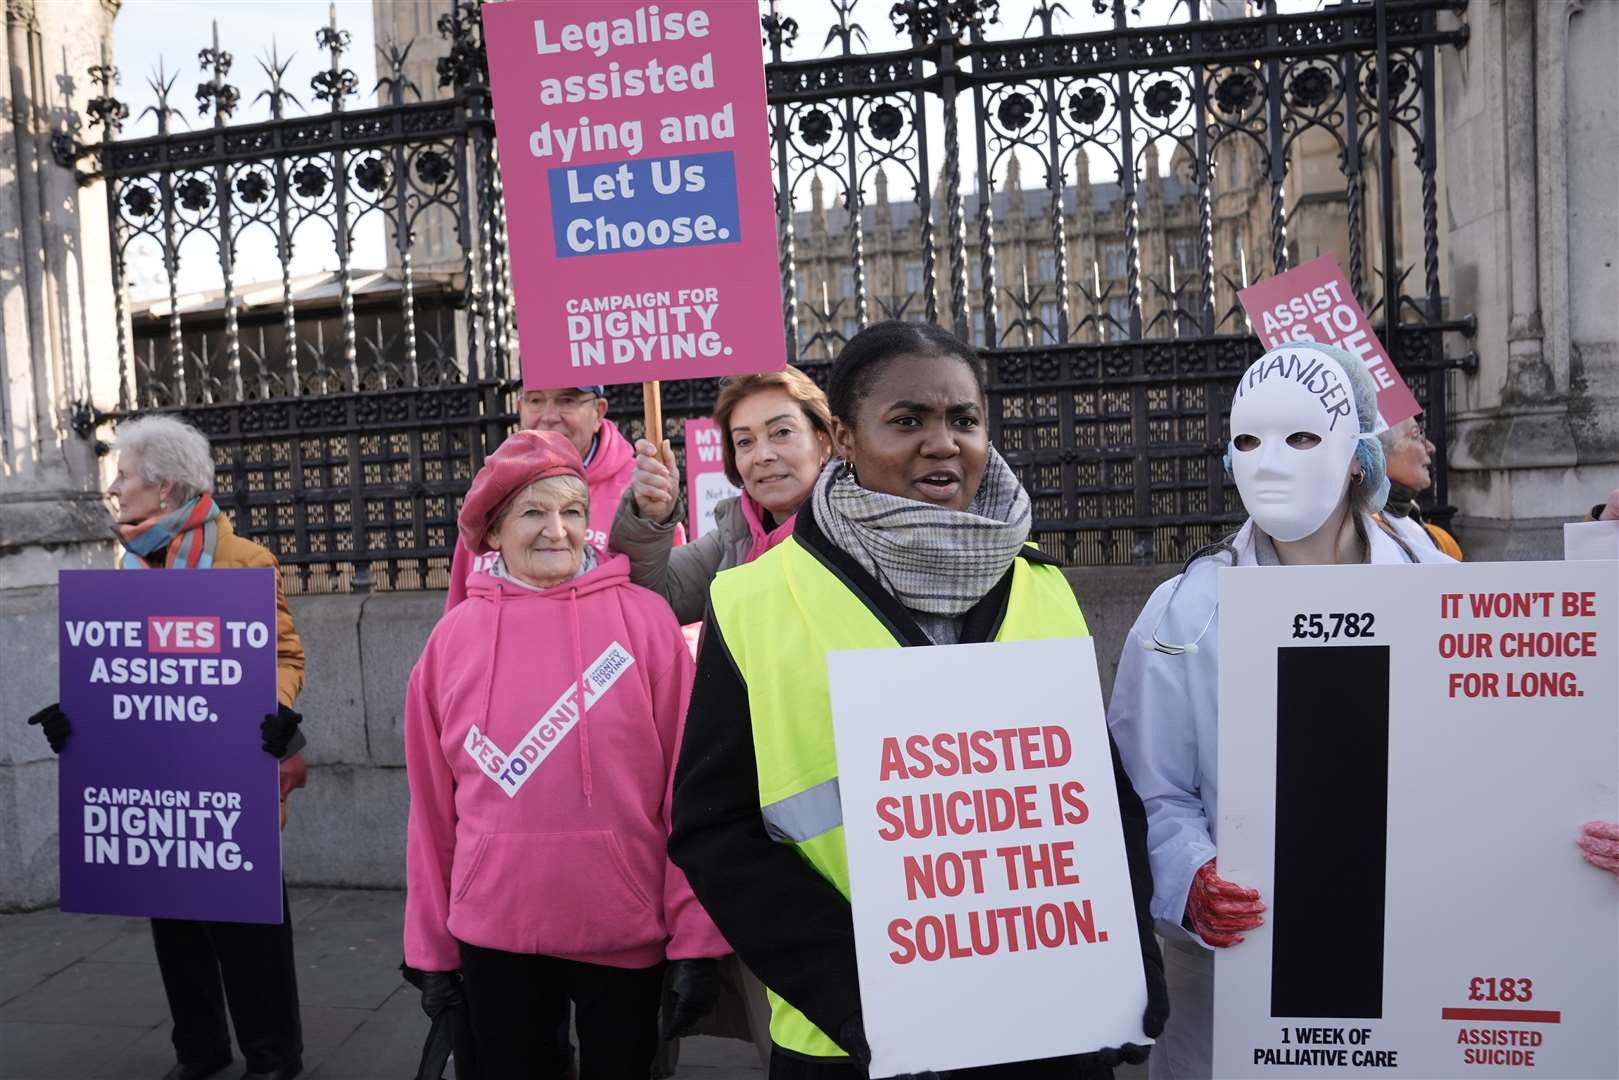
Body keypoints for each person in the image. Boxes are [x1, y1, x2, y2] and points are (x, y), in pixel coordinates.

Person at [668, 321, 1167, 1079]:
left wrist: (1128, 964)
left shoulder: (1044, 587)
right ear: (841, 435)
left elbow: (1095, 800)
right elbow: (716, 832)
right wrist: (861, 997)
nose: (942, 443)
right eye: (907, 421)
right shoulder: (751, 602)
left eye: (962, 419)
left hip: (1049, 1020)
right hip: (853, 1039)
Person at [1106, 342, 1454, 1080]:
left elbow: (1509, 761)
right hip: (1239, 981)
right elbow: (1147, 790)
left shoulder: (1445, 593)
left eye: (1301, 437)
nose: (1270, 462)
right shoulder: (1182, 614)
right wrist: (1191, 878)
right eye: (1247, 441)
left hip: (1416, 960)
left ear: (1358, 453)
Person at [403, 429, 727, 1080]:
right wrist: (429, 947)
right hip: (494, 931)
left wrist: (697, 936)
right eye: (532, 511)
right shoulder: (450, 642)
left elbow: (688, 793)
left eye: (573, 511)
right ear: (492, 532)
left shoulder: (647, 623)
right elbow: (432, 811)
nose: (557, 529)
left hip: (625, 927)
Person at [26, 414, 307, 1080]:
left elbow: (284, 653)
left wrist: (276, 707)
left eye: (124, 475)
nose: (115, 489)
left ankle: (273, 1056)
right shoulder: (127, 563)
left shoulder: (244, 560)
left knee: (247, 927)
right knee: (175, 926)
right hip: (154, 777)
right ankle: (200, 1051)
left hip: (227, 771)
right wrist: (79, 720)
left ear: (166, 487)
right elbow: (120, 669)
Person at [610, 367, 834, 1065]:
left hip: (845, 799)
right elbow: (651, 594)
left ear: (826, 441)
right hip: (760, 798)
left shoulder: (865, 525)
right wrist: (648, 516)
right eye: (743, 441)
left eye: (780, 433)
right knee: (792, 1009)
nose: (761, 454)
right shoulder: (732, 540)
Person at [443, 385, 652, 611]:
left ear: (598, 412)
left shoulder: (642, 488)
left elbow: (668, 609)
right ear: (520, 407)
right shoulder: (494, 490)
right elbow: (458, 614)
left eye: (567, 400)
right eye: (535, 400)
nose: (549, 417)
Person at [1376, 415, 1462, 559]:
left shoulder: (1441, 540)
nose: (1431, 448)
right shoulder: (1362, 536)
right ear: (1377, 451)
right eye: (1416, 435)